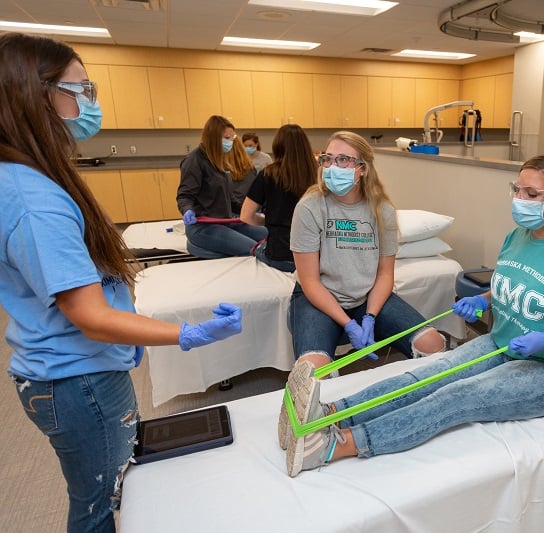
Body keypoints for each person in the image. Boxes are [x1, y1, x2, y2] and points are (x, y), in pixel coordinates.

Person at [0, 33, 243, 532]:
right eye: (80, 88)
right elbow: (91, 316)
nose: (90, 101)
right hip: (77, 380)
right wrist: (188, 334)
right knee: (102, 505)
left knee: (102, 494)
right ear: (36, 93)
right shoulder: (35, 199)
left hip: (60, 372)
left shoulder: (22, 178)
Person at [282, 153, 544, 478]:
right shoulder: (519, 237)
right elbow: (516, 285)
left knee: (456, 396)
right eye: (518, 189)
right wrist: (483, 300)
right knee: (427, 375)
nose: (520, 199)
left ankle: (333, 446)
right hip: (501, 342)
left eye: (533, 194)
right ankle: (330, 413)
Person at [276, 131, 447, 451]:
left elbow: (385, 275)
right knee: (311, 374)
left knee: (433, 343)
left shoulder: (381, 211)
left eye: (343, 160)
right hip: (318, 299)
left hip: (369, 298)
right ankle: (320, 431)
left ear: (362, 168)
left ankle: (419, 406)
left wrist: (368, 317)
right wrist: (348, 323)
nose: (332, 166)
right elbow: (310, 281)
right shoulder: (310, 207)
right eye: (328, 159)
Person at [177, 115, 268, 256]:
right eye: (227, 138)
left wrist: (251, 211)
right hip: (203, 227)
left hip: (225, 221)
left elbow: (229, 199)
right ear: (213, 138)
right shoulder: (194, 161)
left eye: (232, 137)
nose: (230, 142)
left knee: (271, 233)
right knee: (256, 249)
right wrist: (187, 210)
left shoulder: (220, 161)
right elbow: (184, 196)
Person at [240, 124, 317, 273]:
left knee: (256, 248)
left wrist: (267, 219)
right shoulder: (318, 174)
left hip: (280, 257)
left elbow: (245, 216)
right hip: (313, 258)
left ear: (278, 146)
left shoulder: (268, 174)